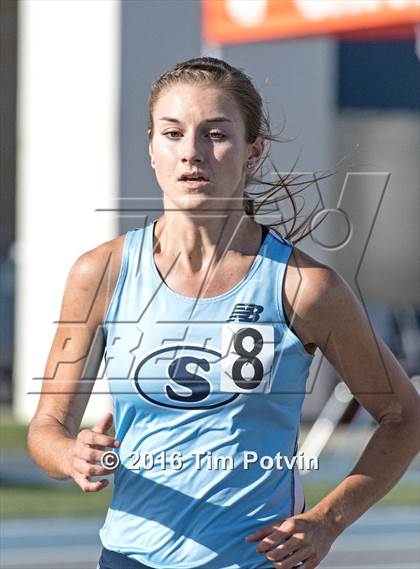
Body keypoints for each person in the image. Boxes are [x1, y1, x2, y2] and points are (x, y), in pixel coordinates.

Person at [28, 57, 419, 569]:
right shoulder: (99, 273)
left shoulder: (304, 286)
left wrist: (327, 521)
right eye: (172, 133)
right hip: (129, 557)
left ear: (253, 151)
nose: (191, 153)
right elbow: (47, 429)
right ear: (151, 147)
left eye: (215, 134)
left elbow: (405, 417)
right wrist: (72, 455)